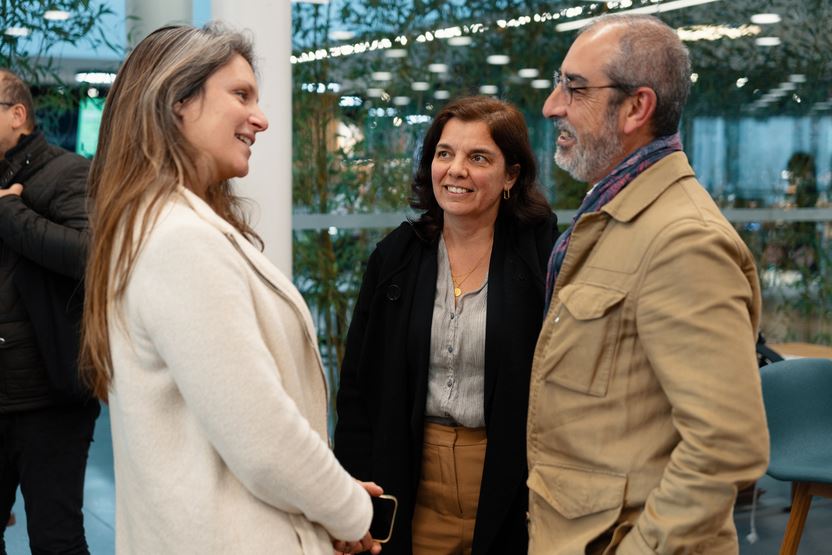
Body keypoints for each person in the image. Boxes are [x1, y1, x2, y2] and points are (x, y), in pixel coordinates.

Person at [79, 25, 378, 555]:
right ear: (177, 102)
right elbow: (263, 438)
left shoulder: (159, 226)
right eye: (241, 95)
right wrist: (350, 511)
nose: (260, 119)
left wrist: (326, 502)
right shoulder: (180, 240)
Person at [527, 14, 769, 554]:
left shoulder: (683, 240)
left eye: (575, 88)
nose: (551, 105)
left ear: (637, 107)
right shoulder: (615, 214)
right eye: (559, 82)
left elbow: (727, 445)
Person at [335, 96, 558, 554]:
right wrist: (351, 491)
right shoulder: (395, 258)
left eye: (478, 158)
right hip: (412, 486)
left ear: (511, 175)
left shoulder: (543, 260)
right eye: (445, 153)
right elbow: (358, 388)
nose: (456, 170)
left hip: (513, 488)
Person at [0, 68, 100, 555]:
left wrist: (11, 213)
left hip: (49, 398)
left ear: (17, 114)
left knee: (55, 541)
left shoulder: (69, 173)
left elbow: (90, 255)